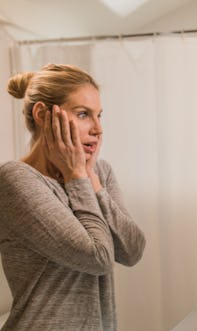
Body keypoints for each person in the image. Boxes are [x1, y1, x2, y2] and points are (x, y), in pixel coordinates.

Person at [0, 64, 146, 331]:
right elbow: (99, 258)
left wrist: (91, 179)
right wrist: (78, 176)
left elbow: (133, 250)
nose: (98, 129)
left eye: (99, 115)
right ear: (43, 115)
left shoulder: (99, 172)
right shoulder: (15, 179)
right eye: (83, 114)